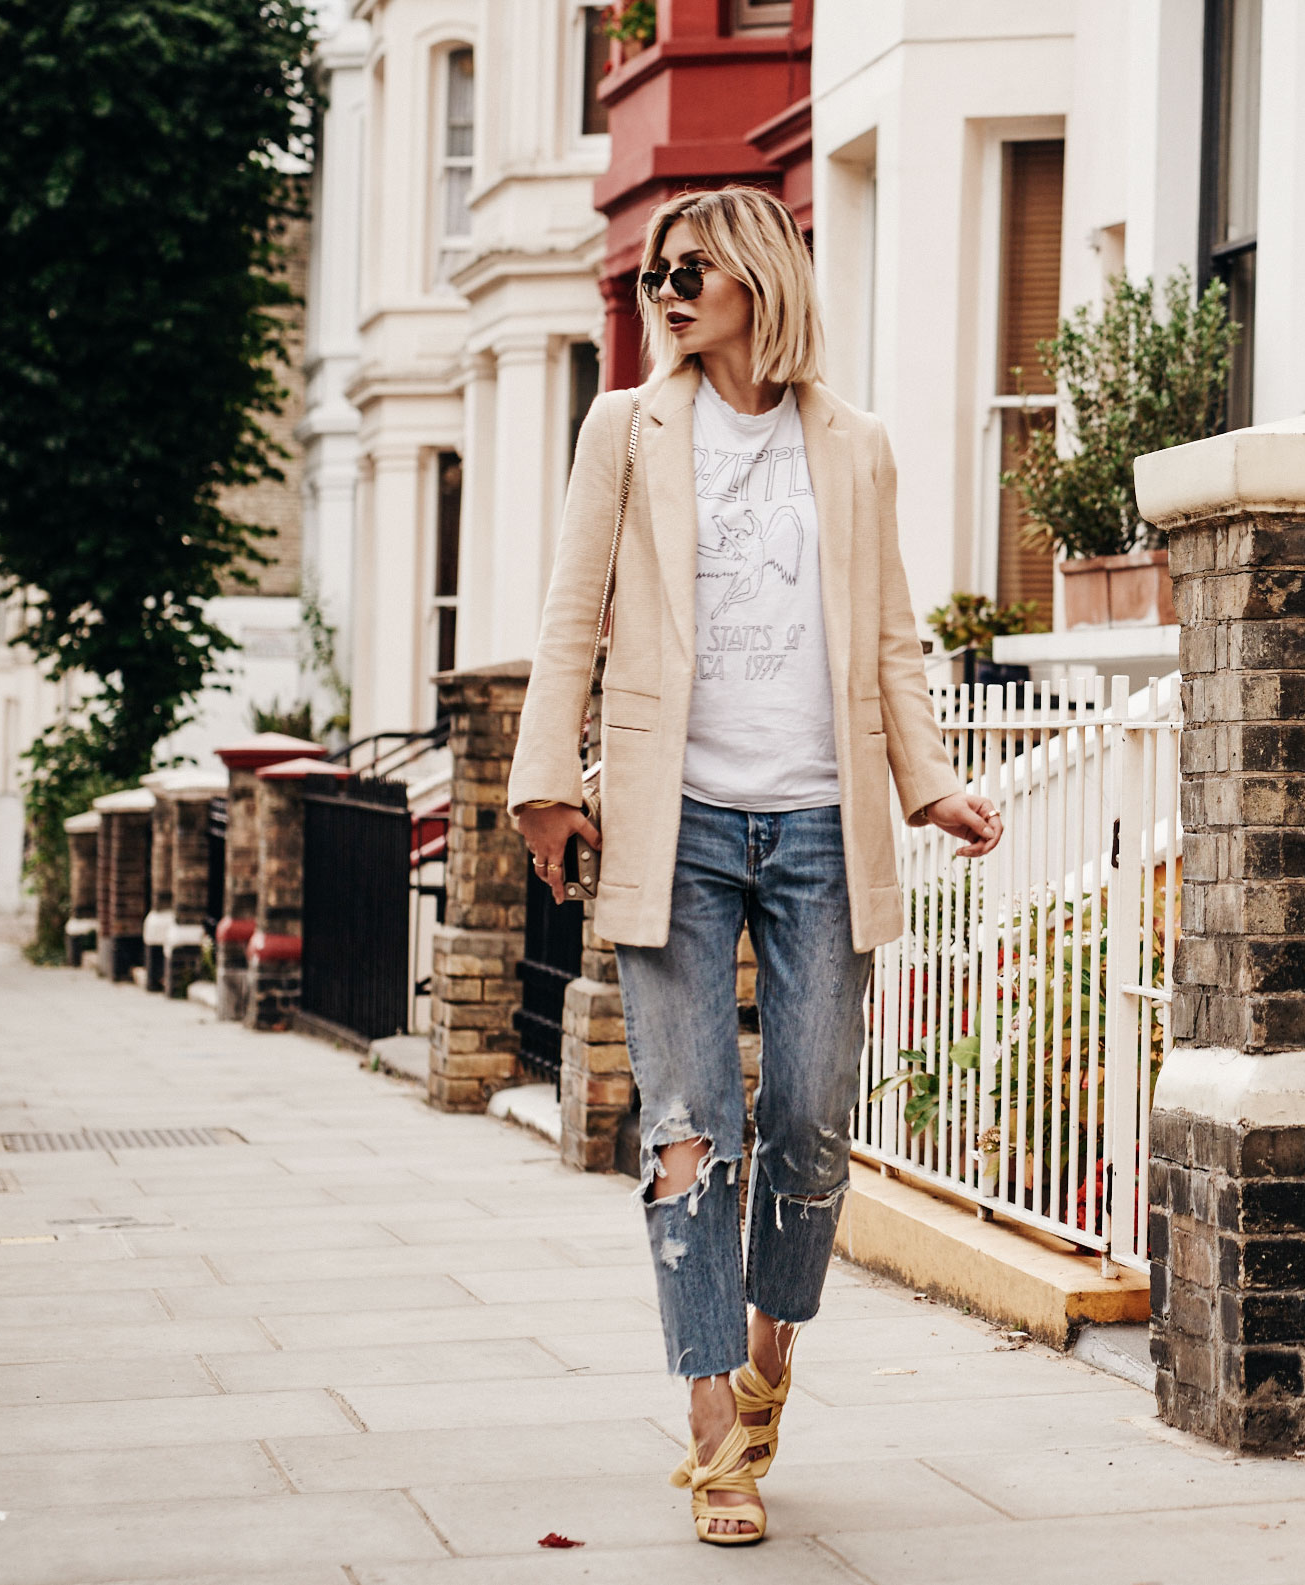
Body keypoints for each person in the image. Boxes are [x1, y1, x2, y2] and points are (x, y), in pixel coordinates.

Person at [507, 187, 1003, 1545]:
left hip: (817, 826)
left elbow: (892, 638)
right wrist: (546, 787)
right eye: (657, 273)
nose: (665, 292)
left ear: (757, 281)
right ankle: (714, 1431)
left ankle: (771, 1348)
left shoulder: (853, 447)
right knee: (685, 1130)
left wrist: (932, 780)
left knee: (806, 1125)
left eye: (692, 271)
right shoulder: (625, 426)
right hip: (677, 824)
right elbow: (569, 622)